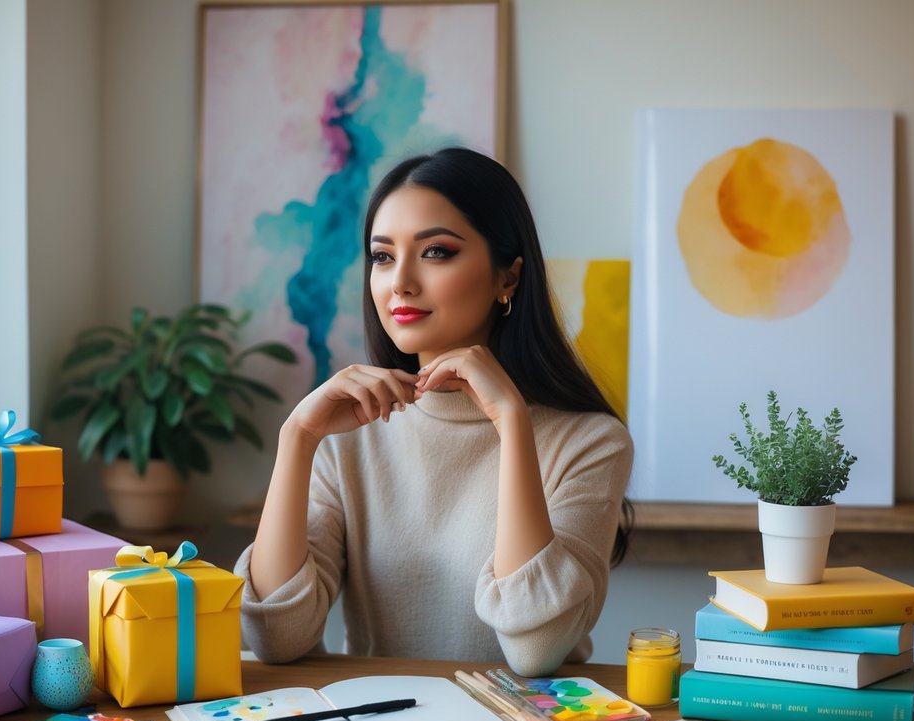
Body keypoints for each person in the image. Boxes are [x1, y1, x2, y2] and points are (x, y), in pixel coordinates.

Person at [233, 147, 634, 676]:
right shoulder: (348, 435)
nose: (399, 281)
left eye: (436, 252)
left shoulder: (591, 442)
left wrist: (512, 421)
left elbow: (535, 650)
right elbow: (276, 639)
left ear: (507, 278)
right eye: (382, 256)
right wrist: (298, 437)